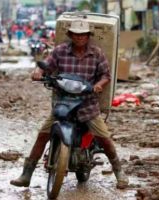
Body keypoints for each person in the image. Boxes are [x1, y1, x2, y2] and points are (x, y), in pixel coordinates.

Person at [10, 19, 129, 189]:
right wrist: (38, 71)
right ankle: (26, 174)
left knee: (104, 138)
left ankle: (119, 173)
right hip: (63, 103)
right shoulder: (60, 51)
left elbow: (106, 75)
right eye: (76, 34)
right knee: (43, 134)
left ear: (88, 36)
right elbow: (47, 65)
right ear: (71, 35)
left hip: (88, 104)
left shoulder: (97, 53)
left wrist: (99, 85)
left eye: (83, 35)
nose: (80, 37)